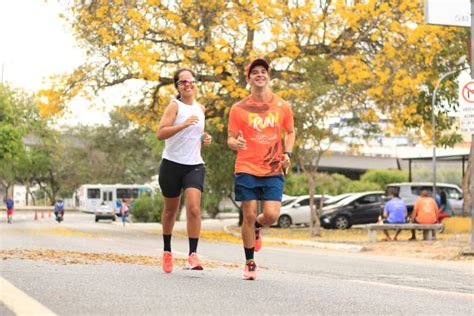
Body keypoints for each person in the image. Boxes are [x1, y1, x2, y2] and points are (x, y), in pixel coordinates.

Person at [227, 58, 295, 280]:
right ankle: (249, 262)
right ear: (248, 79)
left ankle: (257, 227)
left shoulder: (283, 106)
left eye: (263, 71)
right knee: (247, 213)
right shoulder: (238, 109)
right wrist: (234, 144)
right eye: (254, 72)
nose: (259, 75)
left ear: (268, 76)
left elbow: (290, 132)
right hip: (246, 166)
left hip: (273, 167)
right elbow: (230, 139)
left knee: (272, 215)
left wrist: (288, 153)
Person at [156, 68, 212, 273]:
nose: (188, 84)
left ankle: (192, 255)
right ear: (177, 87)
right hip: (171, 164)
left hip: (194, 165)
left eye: (191, 81)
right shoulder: (174, 106)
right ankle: (167, 251)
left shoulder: (201, 108)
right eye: (183, 82)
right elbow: (161, 133)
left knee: (194, 208)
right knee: (170, 210)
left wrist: (205, 137)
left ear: (195, 84)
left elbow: (196, 132)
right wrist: (184, 125)